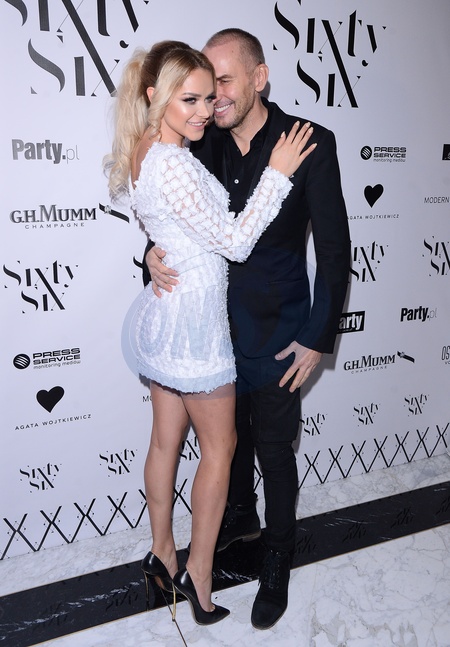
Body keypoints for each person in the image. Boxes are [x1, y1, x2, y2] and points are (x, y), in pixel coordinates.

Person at [104, 40, 316, 626]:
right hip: (195, 325)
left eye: (208, 97)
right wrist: (276, 175)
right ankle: (198, 575)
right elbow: (235, 242)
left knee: (164, 441)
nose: (204, 111)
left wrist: (155, 249)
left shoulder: (146, 146)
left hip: (166, 316)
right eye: (189, 100)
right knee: (220, 449)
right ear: (157, 96)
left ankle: (161, 552)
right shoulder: (174, 162)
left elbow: (169, 224)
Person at [145, 29, 351, 630]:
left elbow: (334, 251)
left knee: (274, 452)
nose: (214, 97)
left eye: (226, 81)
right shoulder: (199, 138)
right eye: (206, 85)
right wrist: (150, 256)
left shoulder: (307, 142)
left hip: (278, 332)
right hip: (210, 333)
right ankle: (235, 525)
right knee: (223, 452)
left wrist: (317, 336)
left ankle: (278, 558)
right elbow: (171, 216)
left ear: (259, 78)